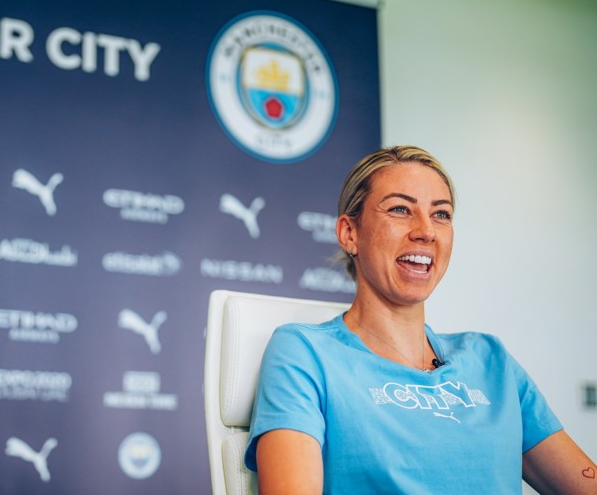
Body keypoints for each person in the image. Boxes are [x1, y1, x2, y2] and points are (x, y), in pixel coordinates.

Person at [245, 145, 596, 494]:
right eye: (400, 209)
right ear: (350, 233)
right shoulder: (305, 352)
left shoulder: (491, 359)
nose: (426, 231)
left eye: (441, 214)